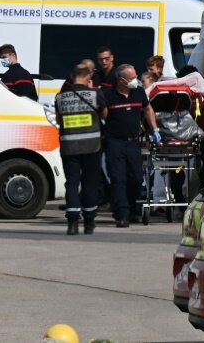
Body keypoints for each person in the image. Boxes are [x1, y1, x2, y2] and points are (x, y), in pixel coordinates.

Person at [100, 64, 161, 228]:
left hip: (133, 142)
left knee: (136, 178)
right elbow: (102, 115)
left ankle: (133, 209)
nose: (135, 81)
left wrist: (155, 128)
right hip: (114, 143)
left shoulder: (139, 93)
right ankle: (122, 214)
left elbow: (147, 109)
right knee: (118, 179)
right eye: (132, 78)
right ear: (121, 80)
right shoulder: (108, 95)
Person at [54, 64, 103, 235]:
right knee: (90, 184)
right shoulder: (95, 94)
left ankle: (72, 223)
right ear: (87, 78)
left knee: (72, 183)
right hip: (92, 146)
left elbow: (59, 119)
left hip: (69, 146)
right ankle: (89, 222)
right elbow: (104, 114)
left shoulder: (60, 97)